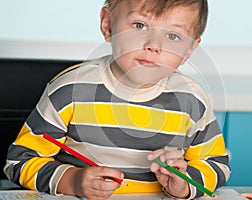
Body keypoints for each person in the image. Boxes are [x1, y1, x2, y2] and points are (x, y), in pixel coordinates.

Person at [4, 0, 230, 199]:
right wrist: (72, 180)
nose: (154, 46)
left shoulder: (192, 98)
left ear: (189, 50)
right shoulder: (70, 90)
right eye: (139, 26)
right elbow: (19, 161)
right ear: (108, 25)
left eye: (173, 36)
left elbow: (216, 164)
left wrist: (184, 184)